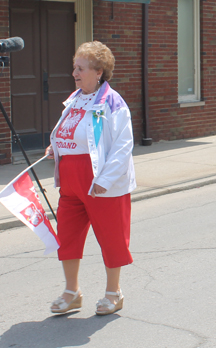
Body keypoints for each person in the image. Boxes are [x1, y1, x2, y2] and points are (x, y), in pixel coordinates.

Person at [45, 41, 136, 316]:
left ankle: (113, 293)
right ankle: (72, 291)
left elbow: (123, 145)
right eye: (74, 67)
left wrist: (105, 180)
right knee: (68, 236)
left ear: (98, 71)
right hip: (71, 181)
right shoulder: (74, 99)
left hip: (100, 181)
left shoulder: (113, 102)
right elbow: (70, 131)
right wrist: (56, 146)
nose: (75, 72)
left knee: (111, 238)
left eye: (80, 68)